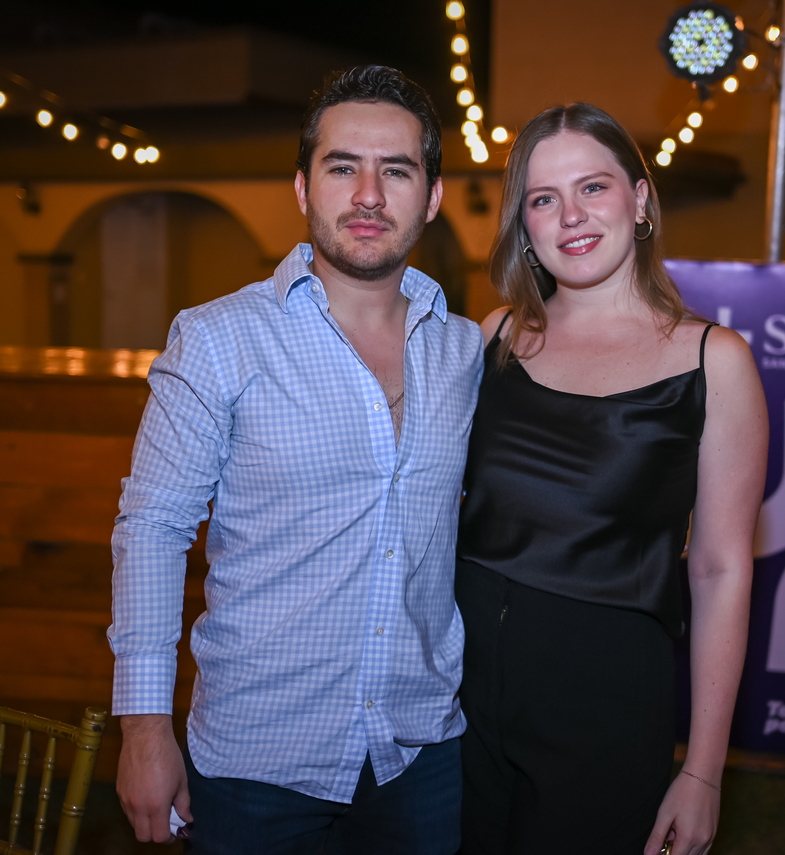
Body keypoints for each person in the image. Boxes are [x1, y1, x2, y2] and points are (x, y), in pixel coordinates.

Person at [107, 65, 482, 855]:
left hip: (420, 754)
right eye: (343, 167)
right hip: (257, 761)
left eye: (397, 171)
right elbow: (153, 528)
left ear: (433, 196)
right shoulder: (217, 339)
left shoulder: (463, 351)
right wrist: (144, 726)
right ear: (305, 188)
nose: (369, 195)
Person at [454, 103, 768, 855]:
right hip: (457, 694)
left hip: (605, 702)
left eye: (592, 187)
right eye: (543, 198)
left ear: (640, 198)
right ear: (523, 223)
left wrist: (704, 770)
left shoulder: (714, 361)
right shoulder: (494, 337)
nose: (571, 215)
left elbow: (721, 569)